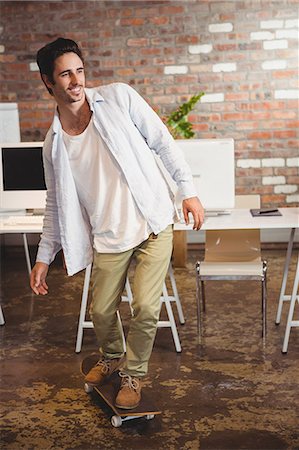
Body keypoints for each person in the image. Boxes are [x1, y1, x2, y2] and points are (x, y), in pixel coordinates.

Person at [30, 37, 204, 410]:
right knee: (101, 311)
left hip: (152, 221)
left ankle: (134, 375)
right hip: (109, 235)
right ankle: (111, 356)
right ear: (48, 81)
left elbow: (162, 141)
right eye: (65, 74)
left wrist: (187, 190)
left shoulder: (119, 98)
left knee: (144, 306)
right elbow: (54, 204)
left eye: (79, 71)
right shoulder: (54, 144)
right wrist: (45, 256)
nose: (76, 80)